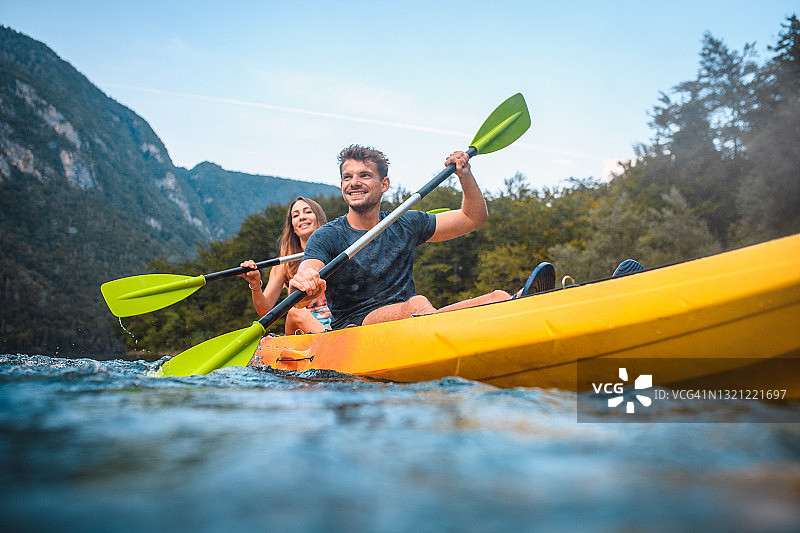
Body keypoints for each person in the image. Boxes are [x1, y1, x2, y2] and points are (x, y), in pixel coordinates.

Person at [287, 144, 519, 330]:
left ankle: (519, 305)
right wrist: (305, 283)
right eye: (347, 177)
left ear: (384, 184)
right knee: (415, 304)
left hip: (412, 321)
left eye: (364, 175)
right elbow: (304, 283)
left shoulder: (405, 222)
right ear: (341, 185)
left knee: (498, 297)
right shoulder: (327, 236)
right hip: (354, 330)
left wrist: (465, 176)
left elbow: (473, 218)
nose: (354, 182)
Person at [238, 197, 332, 334]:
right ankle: (330, 341)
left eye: (308, 212)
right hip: (301, 326)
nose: (302, 217)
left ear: (319, 219)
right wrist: (255, 285)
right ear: (292, 227)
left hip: (337, 321)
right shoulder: (283, 265)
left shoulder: (336, 251)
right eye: (296, 215)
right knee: (295, 312)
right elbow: (266, 312)